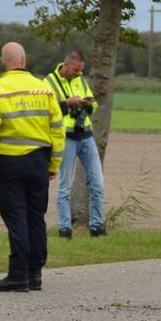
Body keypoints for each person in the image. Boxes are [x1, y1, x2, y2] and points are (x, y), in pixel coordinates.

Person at [0, 42, 65, 292]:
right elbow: (58, 130)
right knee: (36, 218)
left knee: (16, 218)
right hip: (39, 162)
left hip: (9, 163)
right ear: (24, 60)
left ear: (4, 60)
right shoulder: (44, 90)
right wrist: (53, 163)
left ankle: (17, 275)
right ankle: (35, 274)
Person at [45, 50, 105, 238]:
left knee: (97, 184)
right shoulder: (48, 83)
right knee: (64, 186)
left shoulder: (80, 80)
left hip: (86, 136)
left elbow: (92, 108)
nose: (78, 74)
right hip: (66, 138)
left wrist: (87, 104)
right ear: (66, 64)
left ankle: (97, 227)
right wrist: (67, 104)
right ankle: (65, 229)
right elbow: (46, 111)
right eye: (76, 70)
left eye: (81, 71)